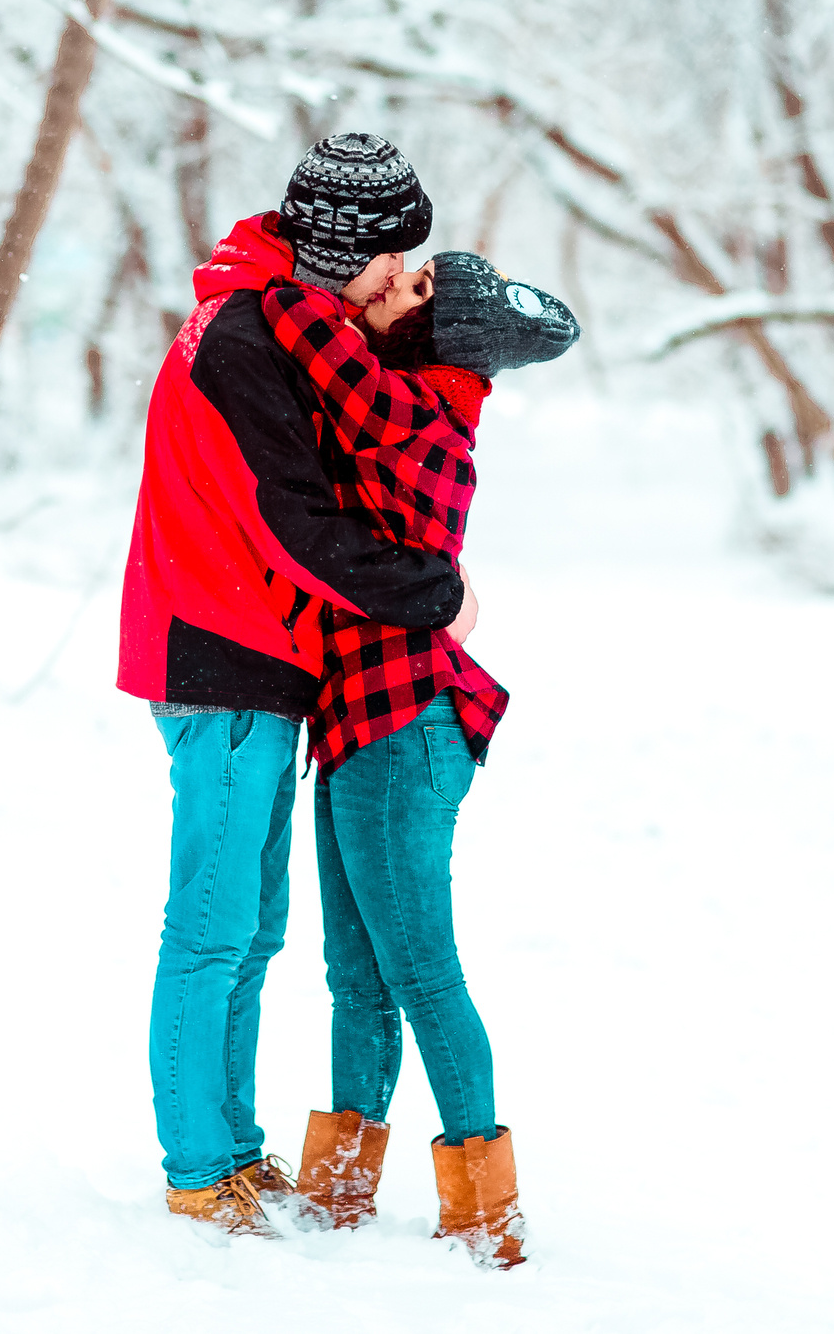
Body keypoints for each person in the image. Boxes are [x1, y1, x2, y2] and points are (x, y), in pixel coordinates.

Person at [117, 133, 476, 1236]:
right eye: (389, 259)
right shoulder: (243, 338)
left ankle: (230, 1148)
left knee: (253, 925)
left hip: (254, 654)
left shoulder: (273, 317)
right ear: (338, 251)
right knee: (213, 926)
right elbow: (292, 521)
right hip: (219, 649)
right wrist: (433, 591)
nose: (397, 279)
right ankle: (195, 1167)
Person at [256, 249, 579, 1269]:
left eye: (421, 290)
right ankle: (340, 1193)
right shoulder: (411, 401)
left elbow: (313, 342)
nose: (398, 285)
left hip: (404, 730)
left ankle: (487, 1214)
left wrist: (279, 274)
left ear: (440, 338)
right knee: (355, 972)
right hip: (359, 724)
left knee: (422, 973)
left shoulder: (426, 420)